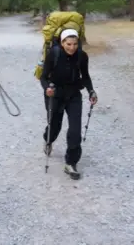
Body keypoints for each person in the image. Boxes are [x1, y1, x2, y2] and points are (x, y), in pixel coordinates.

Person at [40, 28, 98, 180]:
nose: (72, 47)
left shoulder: (82, 56)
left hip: (73, 95)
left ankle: (71, 162)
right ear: (62, 42)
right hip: (55, 94)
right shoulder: (54, 53)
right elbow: (44, 76)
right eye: (68, 44)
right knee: (55, 125)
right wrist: (47, 88)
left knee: (75, 130)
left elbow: (85, 76)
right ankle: (48, 140)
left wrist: (91, 91)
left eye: (75, 44)